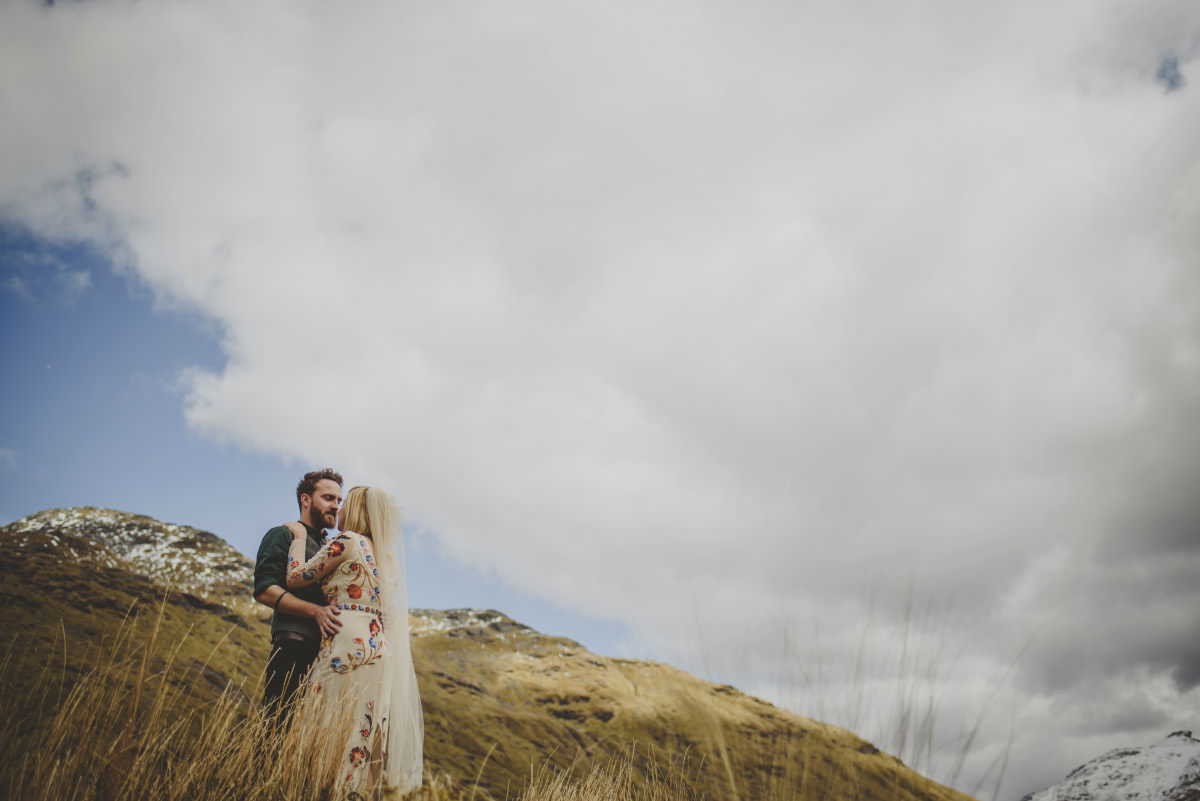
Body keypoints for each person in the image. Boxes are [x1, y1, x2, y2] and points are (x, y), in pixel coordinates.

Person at [284, 485, 423, 798]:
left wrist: (299, 539)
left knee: (327, 725)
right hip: (380, 649)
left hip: (346, 642)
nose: (340, 508)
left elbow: (296, 577)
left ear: (357, 509)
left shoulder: (348, 541)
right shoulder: (388, 557)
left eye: (345, 502)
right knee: (364, 734)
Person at [253, 468, 345, 723]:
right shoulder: (281, 535)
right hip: (292, 648)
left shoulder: (334, 548)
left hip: (327, 658)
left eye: (339, 500)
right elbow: (264, 589)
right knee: (276, 732)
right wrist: (315, 611)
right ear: (306, 500)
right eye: (328, 498)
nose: (336, 506)